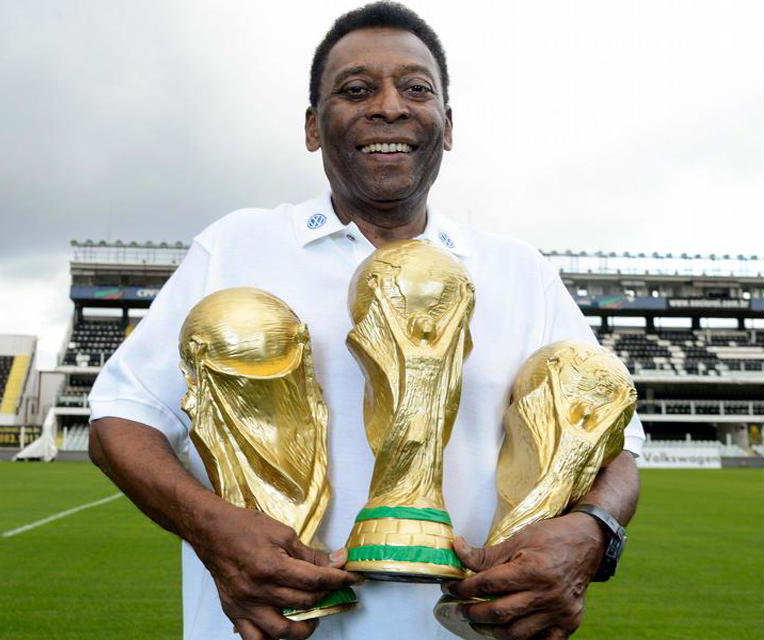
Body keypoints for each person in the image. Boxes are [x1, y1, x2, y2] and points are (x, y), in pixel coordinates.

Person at [87, 3, 645, 639]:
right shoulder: (237, 245)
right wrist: (212, 528)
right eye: (356, 90)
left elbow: (617, 444)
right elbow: (120, 421)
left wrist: (593, 530)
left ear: (448, 126)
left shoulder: (520, 270)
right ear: (312, 127)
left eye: (416, 89)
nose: (389, 107)